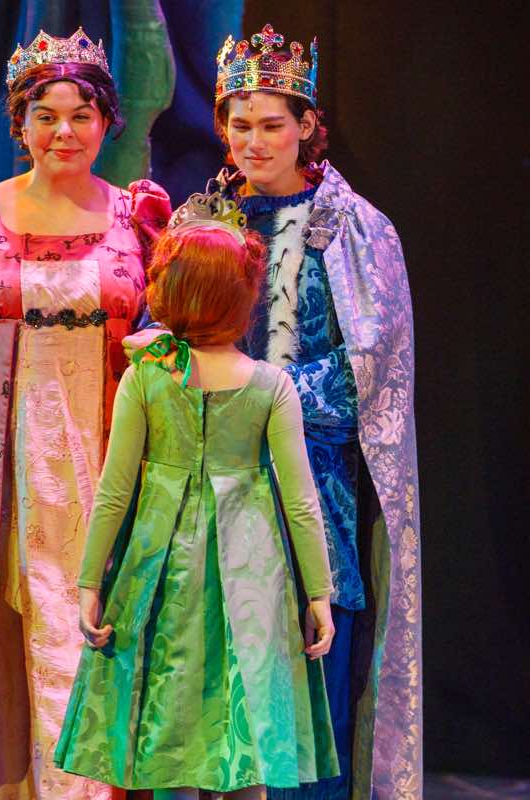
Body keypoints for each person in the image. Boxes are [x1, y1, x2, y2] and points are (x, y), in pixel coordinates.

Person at [0, 28, 170, 800]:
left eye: (81, 115)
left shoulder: (137, 218)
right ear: (19, 124)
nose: (64, 131)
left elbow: (165, 338)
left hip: (102, 462)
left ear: (107, 123)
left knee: (90, 623)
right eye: (45, 115)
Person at [54, 194, 340, 796]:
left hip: (163, 571)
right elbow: (300, 502)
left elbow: (114, 492)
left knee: (169, 735)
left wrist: (90, 582)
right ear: (244, 298)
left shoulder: (147, 376)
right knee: (248, 730)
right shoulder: (270, 385)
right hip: (253, 574)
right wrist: (319, 592)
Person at [206, 24, 422, 800]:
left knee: (309, 700)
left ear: (306, 126)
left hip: (311, 489)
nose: (254, 142)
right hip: (212, 486)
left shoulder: (354, 229)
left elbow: (372, 367)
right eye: (240, 125)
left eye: (272, 125)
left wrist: (262, 395)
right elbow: (170, 329)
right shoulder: (204, 221)